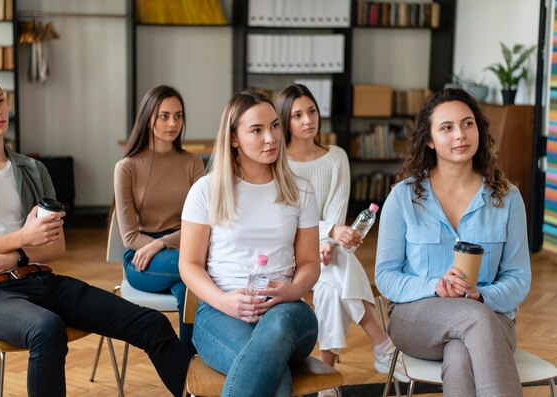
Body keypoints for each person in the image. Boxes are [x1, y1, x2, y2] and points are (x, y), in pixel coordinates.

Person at [0, 66, 192, 397]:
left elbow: (56, 247)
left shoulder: (33, 170)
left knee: (152, 324)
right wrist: (21, 238)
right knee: (47, 328)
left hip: (39, 278)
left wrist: (17, 255)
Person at [375, 88, 531, 397]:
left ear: (478, 130)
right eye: (447, 127)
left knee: (461, 355)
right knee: (473, 319)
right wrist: (434, 286)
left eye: (467, 123)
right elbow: (386, 277)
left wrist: (481, 296)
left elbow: (519, 278)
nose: (460, 134)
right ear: (430, 139)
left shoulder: (508, 198)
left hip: (492, 318)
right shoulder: (403, 197)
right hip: (417, 319)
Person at [179, 91, 321, 396]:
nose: (270, 138)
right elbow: (188, 265)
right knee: (274, 375)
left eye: (274, 126)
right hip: (220, 313)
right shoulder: (205, 191)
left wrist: (294, 290)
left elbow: (310, 262)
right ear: (233, 139)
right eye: (256, 130)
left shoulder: (302, 191)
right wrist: (223, 301)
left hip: (288, 313)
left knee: (278, 330)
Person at [275, 84, 408, 391]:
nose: (309, 120)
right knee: (338, 263)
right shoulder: (279, 164)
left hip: (325, 251)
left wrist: (327, 241)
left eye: (311, 111)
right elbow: (288, 220)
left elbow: (336, 213)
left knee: (330, 284)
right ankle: (381, 344)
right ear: (285, 121)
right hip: (289, 251)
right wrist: (329, 234)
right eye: (298, 115)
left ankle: (325, 380)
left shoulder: (336, 157)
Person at [114, 85, 204, 353]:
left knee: (189, 289)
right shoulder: (127, 167)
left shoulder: (193, 164)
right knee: (200, 268)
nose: (172, 123)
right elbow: (130, 237)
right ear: (148, 118)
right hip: (141, 257)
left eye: (178, 116)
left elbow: (204, 223)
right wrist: (156, 245)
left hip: (183, 246)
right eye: (164, 116)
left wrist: (163, 243)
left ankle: (188, 365)